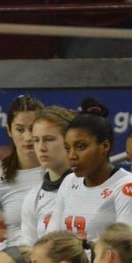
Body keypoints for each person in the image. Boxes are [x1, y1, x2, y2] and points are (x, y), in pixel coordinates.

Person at [50, 109, 132, 243]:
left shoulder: (128, 186)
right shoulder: (69, 181)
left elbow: (127, 247)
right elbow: (52, 238)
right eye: (67, 148)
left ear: (104, 146)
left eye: (80, 147)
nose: (72, 156)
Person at [0, 95, 44, 254]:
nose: (28, 137)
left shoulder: (62, 171)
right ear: (9, 131)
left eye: (33, 129)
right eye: (20, 129)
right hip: (15, 262)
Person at [20, 104, 78, 243]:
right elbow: (29, 249)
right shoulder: (33, 197)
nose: (41, 147)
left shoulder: (90, 187)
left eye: (49, 139)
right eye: (36, 140)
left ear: (69, 141)